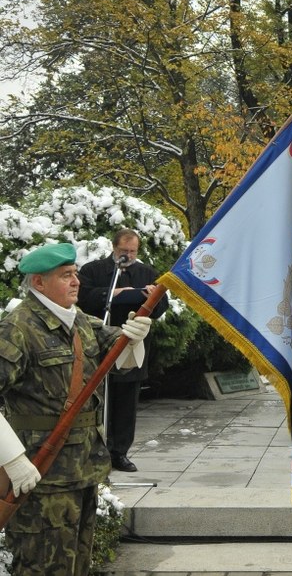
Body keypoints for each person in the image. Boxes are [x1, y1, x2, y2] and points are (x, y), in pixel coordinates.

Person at [0, 242, 152, 576]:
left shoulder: (79, 320)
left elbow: (120, 355)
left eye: (75, 274)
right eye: (65, 275)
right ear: (39, 283)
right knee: (42, 567)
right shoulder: (18, 328)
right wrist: (13, 461)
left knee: (77, 565)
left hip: (82, 470)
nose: (76, 281)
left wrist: (135, 336)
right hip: (42, 472)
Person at [77, 229, 168, 473]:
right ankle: (95, 451)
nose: (128, 256)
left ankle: (120, 453)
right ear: (113, 248)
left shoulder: (146, 273)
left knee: (126, 402)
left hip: (132, 348)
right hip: (98, 346)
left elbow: (161, 308)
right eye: (123, 251)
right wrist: (114, 293)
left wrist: (153, 296)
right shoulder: (93, 271)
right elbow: (83, 299)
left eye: (132, 252)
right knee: (96, 400)